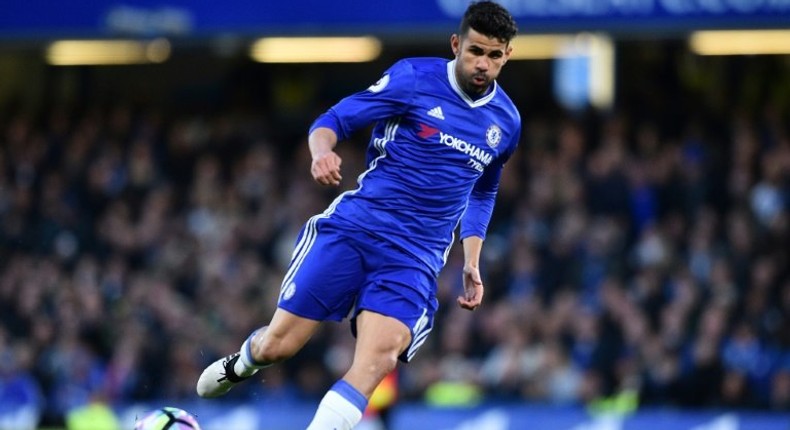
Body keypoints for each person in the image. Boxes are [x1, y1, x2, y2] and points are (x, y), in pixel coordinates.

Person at [196, 2, 520, 428]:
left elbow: (484, 189)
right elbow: (335, 119)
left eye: (494, 55)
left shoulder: (507, 121)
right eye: (476, 51)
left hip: (415, 257)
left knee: (377, 361)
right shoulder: (413, 78)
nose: (483, 64)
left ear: (507, 55)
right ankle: (245, 362)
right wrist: (321, 153)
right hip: (356, 228)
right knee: (279, 346)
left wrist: (472, 260)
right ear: (456, 44)